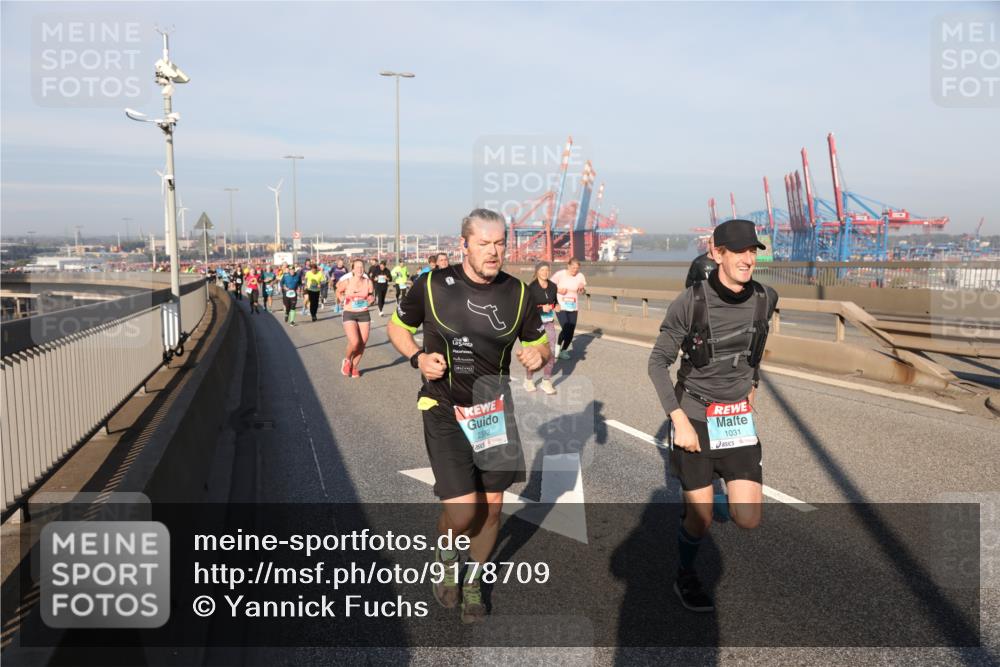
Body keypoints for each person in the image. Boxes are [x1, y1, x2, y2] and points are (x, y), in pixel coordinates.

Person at [388, 208, 548, 624]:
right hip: (443, 408)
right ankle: (446, 554)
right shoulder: (432, 285)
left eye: (500, 244)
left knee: (492, 510)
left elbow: (542, 344)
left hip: (493, 411)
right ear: (464, 245)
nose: (494, 252)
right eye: (484, 243)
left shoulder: (518, 293)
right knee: (463, 513)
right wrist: (418, 358)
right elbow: (396, 329)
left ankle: (473, 578)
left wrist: (539, 355)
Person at [647, 219, 778, 614]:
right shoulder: (691, 302)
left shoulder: (766, 298)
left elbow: (757, 346)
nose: (747, 259)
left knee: (749, 519)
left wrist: (752, 384)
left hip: (736, 421)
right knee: (699, 520)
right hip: (696, 417)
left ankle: (708, 496)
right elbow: (657, 363)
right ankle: (684, 574)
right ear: (716, 252)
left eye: (753, 251)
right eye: (738, 251)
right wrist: (678, 420)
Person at [524, 261, 559, 395]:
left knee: (551, 353)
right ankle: (528, 380)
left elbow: (554, 301)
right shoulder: (531, 288)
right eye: (542, 270)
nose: (545, 272)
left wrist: (556, 306)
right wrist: (540, 308)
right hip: (534, 325)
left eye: (547, 270)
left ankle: (546, 381)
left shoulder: (553, 286)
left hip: (548, 323)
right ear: (537, 271)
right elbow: (527, 308)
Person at [336, 258, 375, 377]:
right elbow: (338, 291)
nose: (360, 269)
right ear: (352, 269)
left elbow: (371, 297)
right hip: (349, 313)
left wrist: (371, 300)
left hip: (363, 313)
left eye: (361, 267)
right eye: (357, 267)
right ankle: (347, 360)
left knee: (362, 343)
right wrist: (341, 298)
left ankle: (354, 367)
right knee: (355, 341)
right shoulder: (347, 282)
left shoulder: (368, 282)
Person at [551, 258, 586, 360]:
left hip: (573, 307)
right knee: (566, 327)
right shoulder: (560, 274)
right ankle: (557, 347)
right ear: (568, 265)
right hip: (560, 305)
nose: (575, 270)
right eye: (573, 267)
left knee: (571, 330)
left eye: (577, 268)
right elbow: (549, 286)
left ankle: (564, 350)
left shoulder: (580, 276)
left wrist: (582, 289)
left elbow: (582, 292)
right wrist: (558, 289)